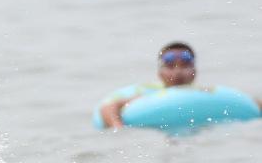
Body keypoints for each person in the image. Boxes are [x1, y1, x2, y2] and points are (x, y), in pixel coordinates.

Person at [98, 41, 262, 128]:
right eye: (170, 66)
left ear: (195, 71)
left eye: (185, 65)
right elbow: (108, 107)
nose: (178, 72)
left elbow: (251, 103)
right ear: (159, 73)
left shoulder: (206, 94)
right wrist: (118, 128)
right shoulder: (149, 94)